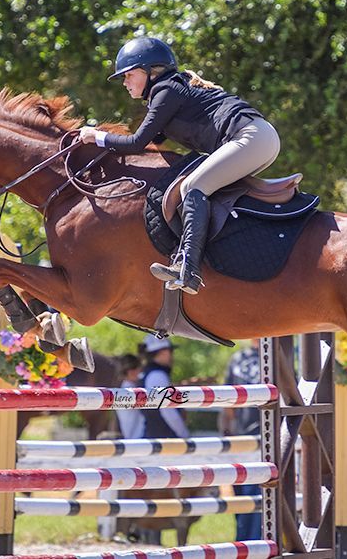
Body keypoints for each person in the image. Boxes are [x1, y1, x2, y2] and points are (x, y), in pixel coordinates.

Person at [78, 37, 282, 295]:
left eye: (129, 75)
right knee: (208, 188)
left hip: (250, 137)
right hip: (258, 139)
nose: (125, 83)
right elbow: (149, 144)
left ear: (151, 71)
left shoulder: (167, 90)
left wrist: (96, 136)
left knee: (193, 186)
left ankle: (189, 269)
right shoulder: (167, 93)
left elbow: (137, 142)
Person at [219, 338, 262, 541]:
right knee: (253, 495)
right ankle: (250, 543)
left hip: (242, 436)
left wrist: (226, 433)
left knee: (244, 494)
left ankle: (245, 542)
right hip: (261, 435)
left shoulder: (237, 359)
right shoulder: (281, 361)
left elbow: (228, 404)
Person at [139, 334, 189, 440]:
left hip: (154, 437)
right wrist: (184, 435)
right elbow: (168, 411)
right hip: (164, 440)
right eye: (170, 351)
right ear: (163, 352)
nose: (171, 355)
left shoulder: (147, 373)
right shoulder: (157, 375)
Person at [115, 353, 144, 440]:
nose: (140, 373)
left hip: (133, 437)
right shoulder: (129, 391)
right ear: (131, 372)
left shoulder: (125, 389)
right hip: (137, 437)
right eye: (139, 369)